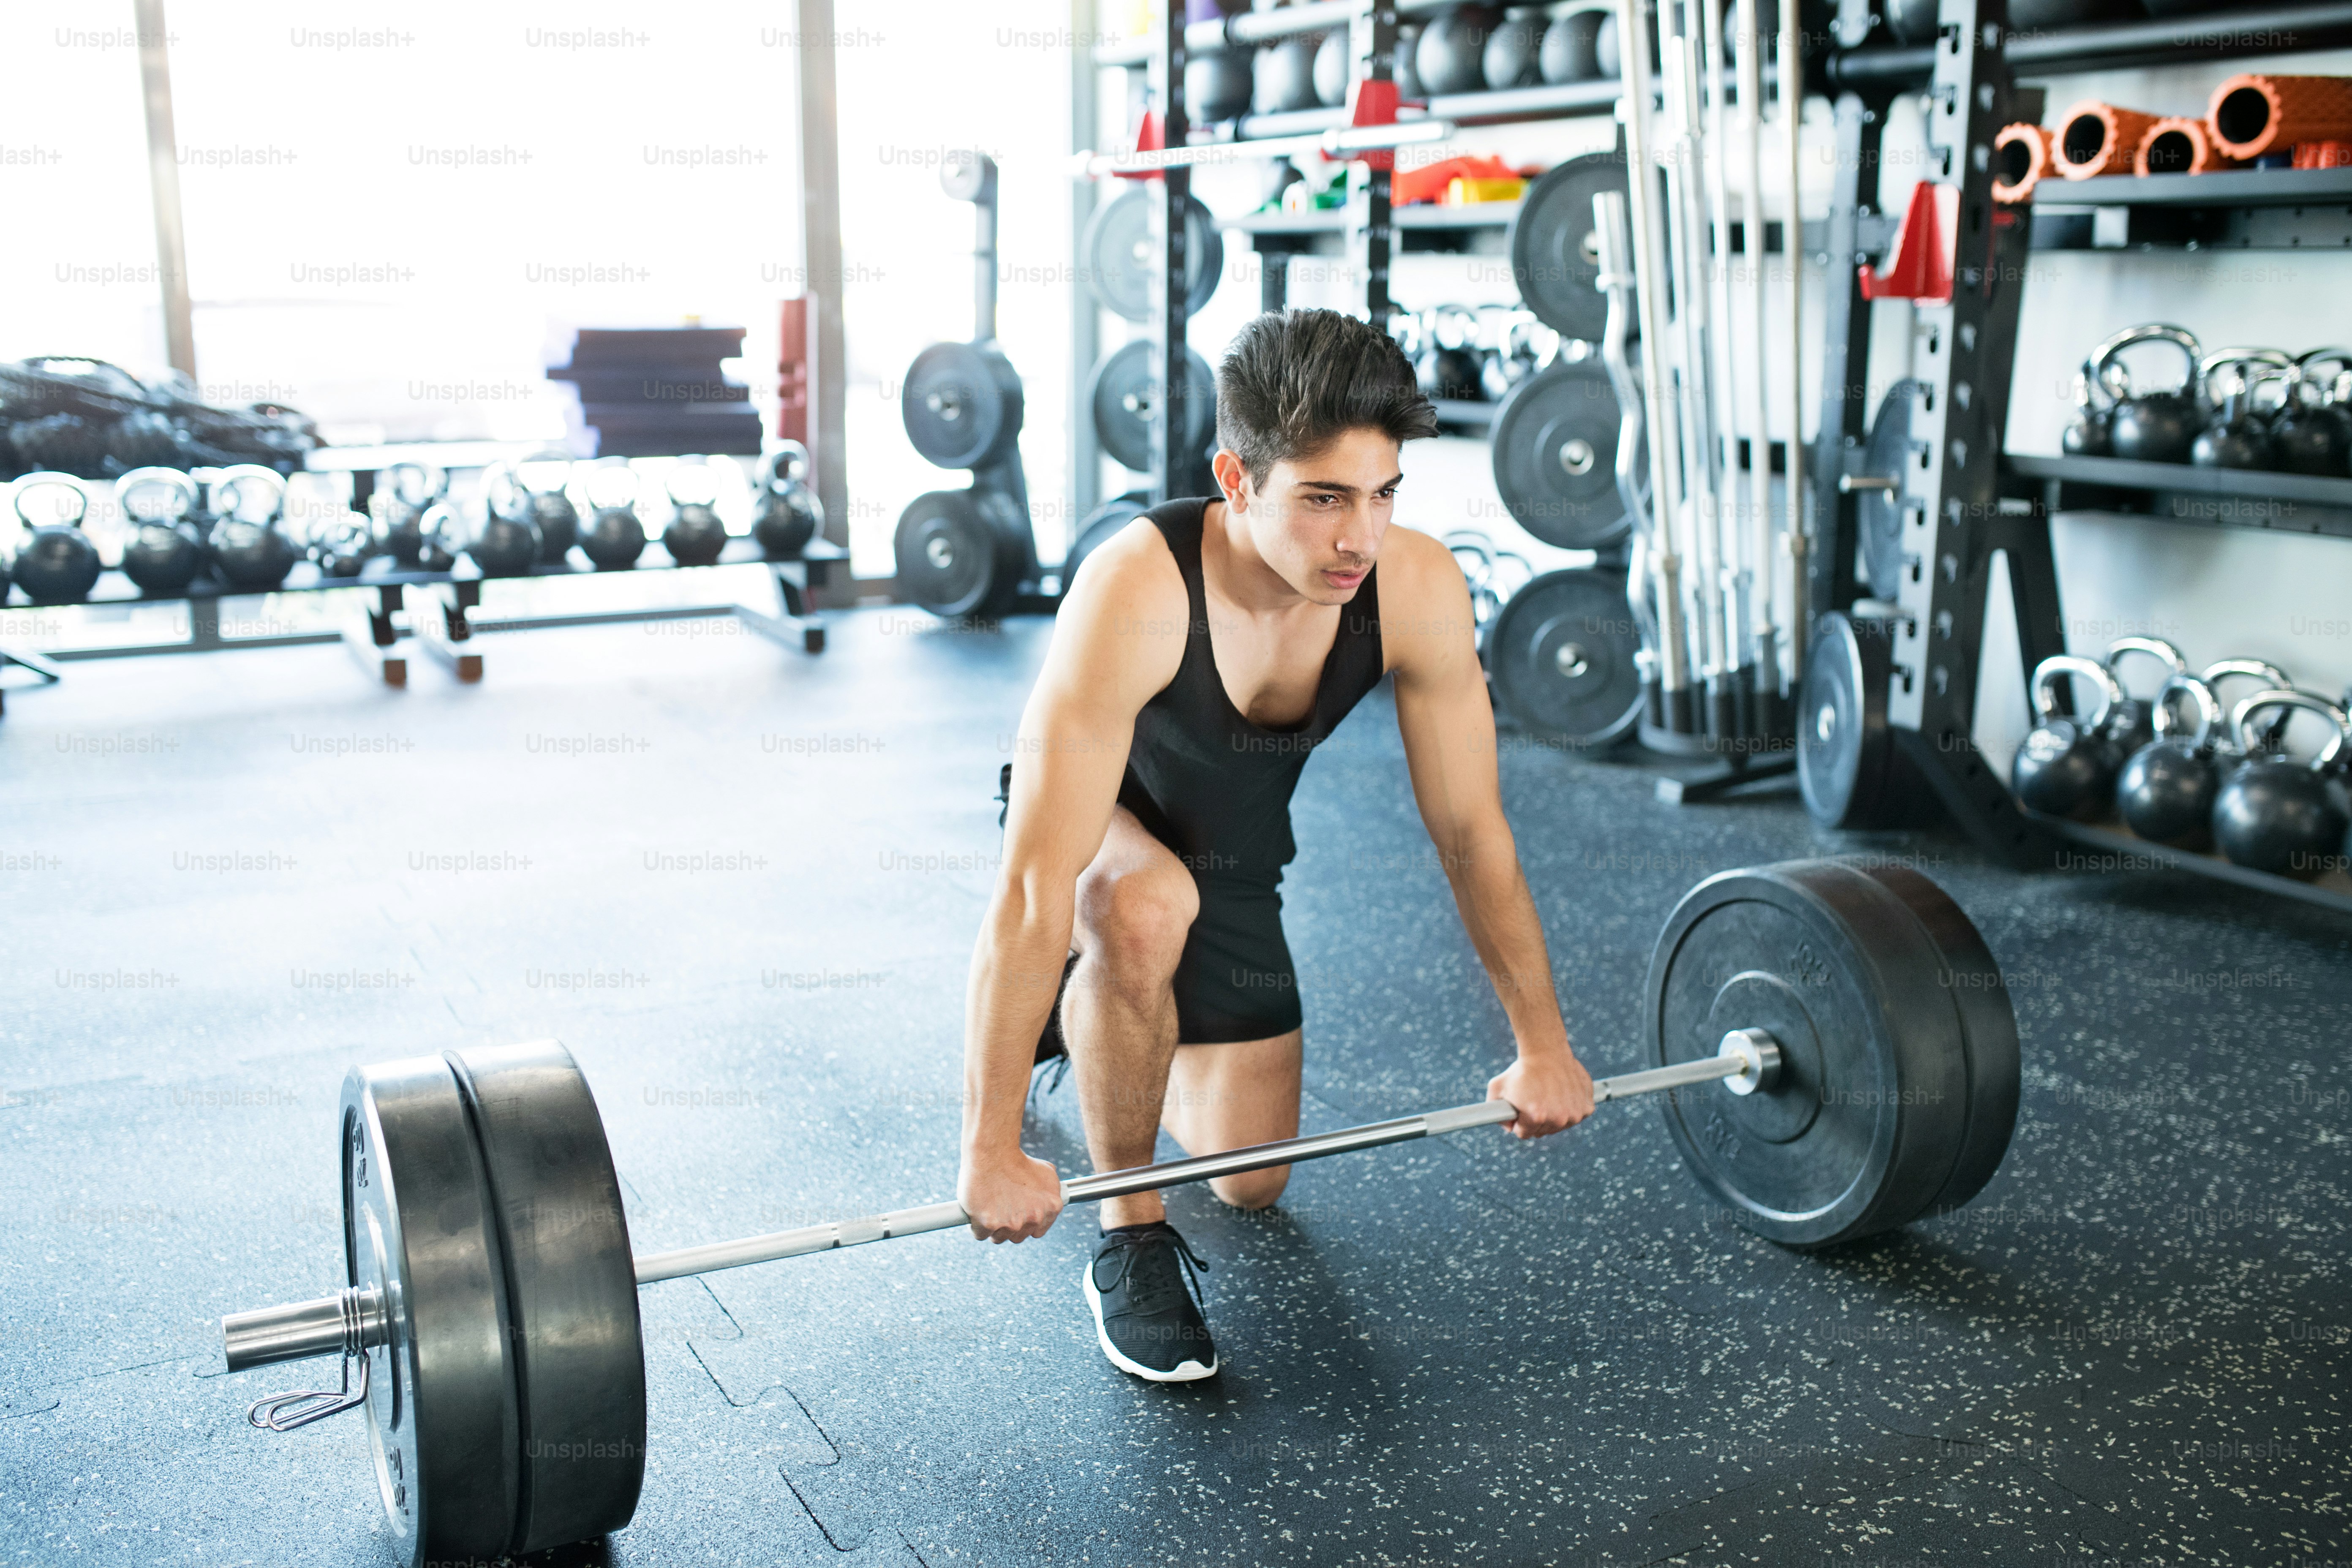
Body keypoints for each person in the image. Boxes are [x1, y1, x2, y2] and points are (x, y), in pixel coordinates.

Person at [958, 308, 1595, 1382]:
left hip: (1235, 856)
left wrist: (1545, 1043)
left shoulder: (1418, 589)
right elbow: (1033, 885)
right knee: (1141, 908)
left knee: (1250, 1176)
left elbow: (1473, 833)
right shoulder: (1137, 587)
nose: (1361, 535)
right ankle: (1132, 1240)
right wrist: (985, 1145)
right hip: (1094, 831)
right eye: (1325, 497)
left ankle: (1094, 1018)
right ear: (1237, 477)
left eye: (1384, 492)